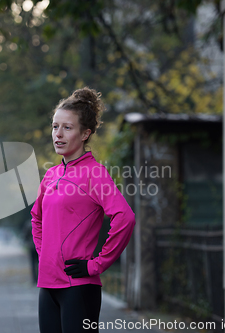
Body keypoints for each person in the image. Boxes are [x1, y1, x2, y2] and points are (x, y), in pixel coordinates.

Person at [30, 87, 136, 333]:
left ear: (85, 133)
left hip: (79, 287)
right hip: (47, 286)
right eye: (55, 126)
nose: (58, 133)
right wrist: (45, 253)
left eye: (67, 127)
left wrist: (96, 265)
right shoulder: (51, 175)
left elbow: (125, 218)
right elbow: (37, 218)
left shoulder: (94, 173)